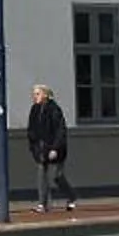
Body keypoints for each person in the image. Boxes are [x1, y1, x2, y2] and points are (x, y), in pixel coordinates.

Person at [24, 83, 75, 214]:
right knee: (41, 174)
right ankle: (42, 204)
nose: (34, 97)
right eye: (34, 94)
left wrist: (55, 148)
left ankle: (71, 197)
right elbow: (31, 129)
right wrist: (33, 146)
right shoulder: (34, 110)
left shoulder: (54, 109)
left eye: (37, 94)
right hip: (41, 148)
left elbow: (60, 130)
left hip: (55, 148)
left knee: (56, 176)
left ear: (45, 95)